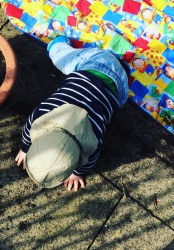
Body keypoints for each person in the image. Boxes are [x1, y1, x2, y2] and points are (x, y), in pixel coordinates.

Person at [15, 36, 129, 191]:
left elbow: (89, 162)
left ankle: (58, 43)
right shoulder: (41, 116)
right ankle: (59, 44)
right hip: (96, 68)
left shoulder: (93, 141)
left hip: (116, 83)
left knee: (57, 54)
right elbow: (28, 131)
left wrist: (76, 174)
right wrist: (25, 148)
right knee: (61, 58)